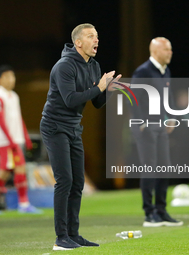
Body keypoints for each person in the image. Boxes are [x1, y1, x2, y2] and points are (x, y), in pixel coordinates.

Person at [40, 23, 122, 250]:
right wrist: (100, 87)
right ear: (78, 42)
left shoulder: (94, 66)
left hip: (74, 128)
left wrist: (109, 89)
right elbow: (71, 100)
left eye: (97, 36)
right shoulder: (64, 66)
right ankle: (60, 237)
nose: (96, 40)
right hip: (55, 127)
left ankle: (73, 234)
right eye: (90, 36)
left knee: (78, 182)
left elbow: (96, 103)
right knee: (64, 181)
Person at [131, 37, 183, 227]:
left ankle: (161, 210)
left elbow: (166, 97)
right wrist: (141, 122)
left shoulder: (165, 71)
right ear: (155, 51)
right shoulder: (143, 71)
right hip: (145, 127)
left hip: (160, 126)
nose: (170, 52)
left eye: (170, 49)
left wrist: (171, 116)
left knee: (164, 166)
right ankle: (149, 213)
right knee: (150, 167)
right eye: (167, 50)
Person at [0, 65, 42, 214]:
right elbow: (1, 121)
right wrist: (11, 141)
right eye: (8, 76)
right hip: (5, 142)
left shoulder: (14, 96)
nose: (12, 80)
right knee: (18, 169)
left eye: (13, 76)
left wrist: (25, 137)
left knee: (5, 172)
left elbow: (18, 119)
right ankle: (22, 204)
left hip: (15, 140)